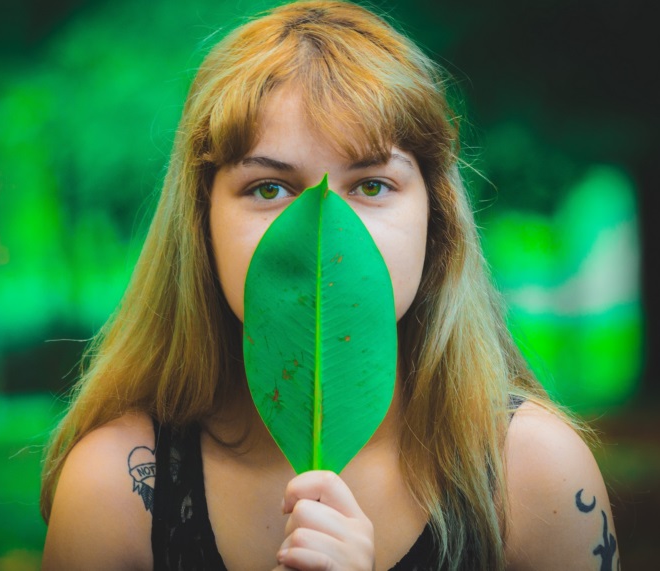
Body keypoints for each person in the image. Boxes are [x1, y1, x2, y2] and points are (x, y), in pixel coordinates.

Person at [40, 1, 619, 569]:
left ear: (434, 218)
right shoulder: (114, 489)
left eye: (371, 185)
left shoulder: (537, 475)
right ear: (201, 223)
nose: (325, 235)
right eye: (269, 188)